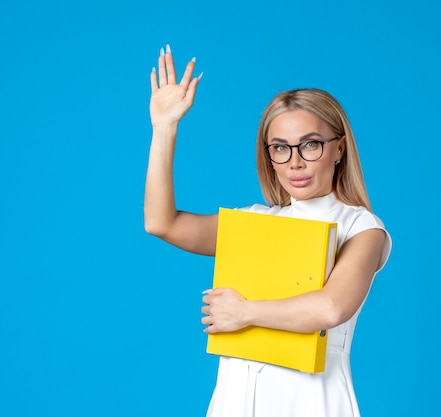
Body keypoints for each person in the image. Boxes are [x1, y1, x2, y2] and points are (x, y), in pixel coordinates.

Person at [144, 45, 392, 417]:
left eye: (310, 144)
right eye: (280, 148)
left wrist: (244, 313)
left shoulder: (361, 227)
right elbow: (162, 223)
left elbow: (330, 307)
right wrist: (164, 128)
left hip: (311, 402)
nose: (295, 162)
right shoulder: (254, 222)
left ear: (339, 148)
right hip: (235, 401)